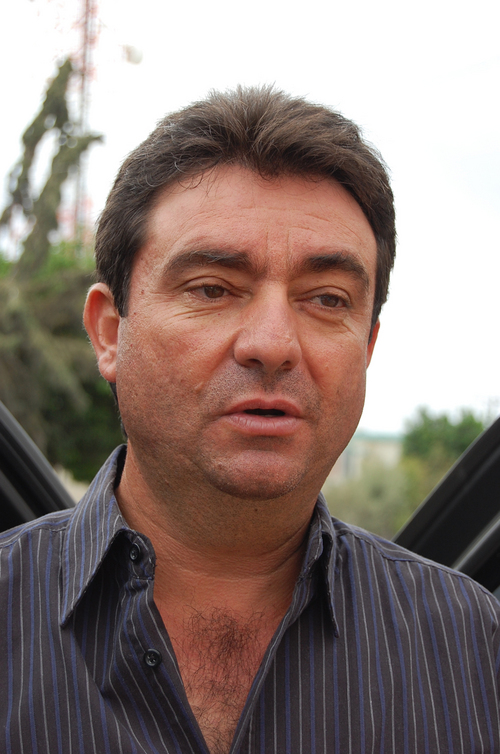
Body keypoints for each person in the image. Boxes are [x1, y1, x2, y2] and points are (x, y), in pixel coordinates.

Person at [1, 86, 499, 754]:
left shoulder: (475, 650)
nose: (273, 343)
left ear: (367, 349)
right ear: (110, 332)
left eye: (327, 299)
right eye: (212, 288)